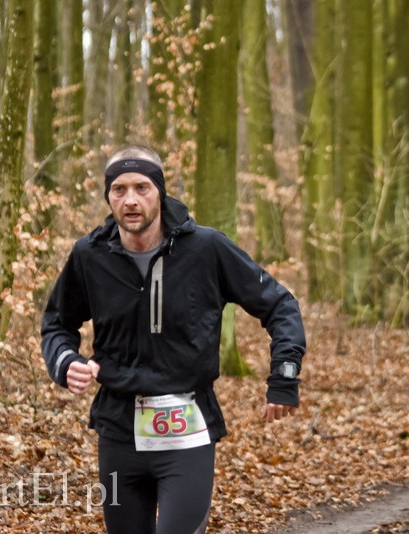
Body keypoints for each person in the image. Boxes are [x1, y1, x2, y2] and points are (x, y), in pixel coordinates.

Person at [41, 145, 306, 533]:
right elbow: (57, 324)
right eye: (119, 189)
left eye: (142, 187)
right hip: (118, 431)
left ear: (160, 191)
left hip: (187, 432)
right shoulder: (89, 255)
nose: (130, 200)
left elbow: (279, 304)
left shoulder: (206, 248)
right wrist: (65, 362)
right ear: (108, 196)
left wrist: (283, 377)